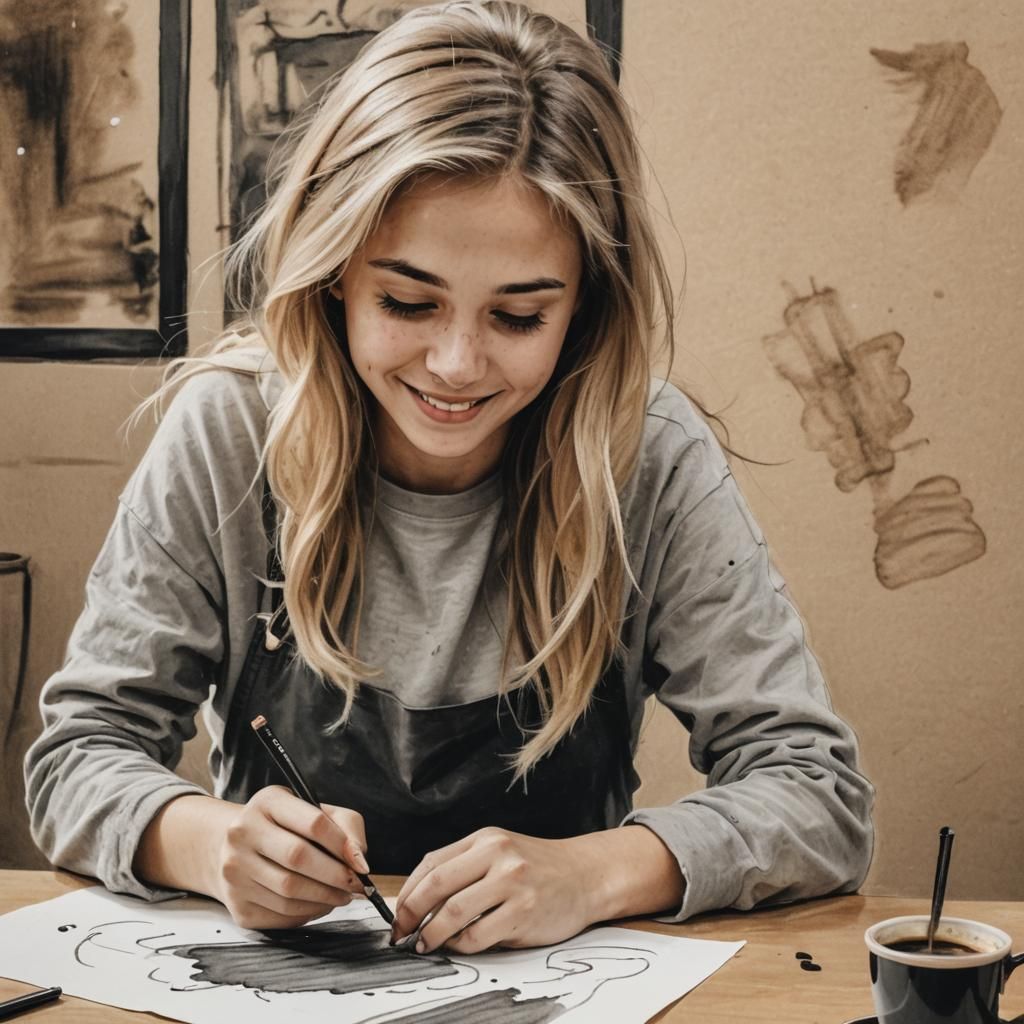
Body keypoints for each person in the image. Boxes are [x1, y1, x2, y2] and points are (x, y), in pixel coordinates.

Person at [25, 0, 873, 955]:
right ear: (333, 271)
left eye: (518, 317)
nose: (458, 364)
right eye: (407, 301)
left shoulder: (647, 454)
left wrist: (591, 873)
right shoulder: (231, 431)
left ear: (586, 308)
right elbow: (78, 760)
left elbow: (817, 794)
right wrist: (209, 844)